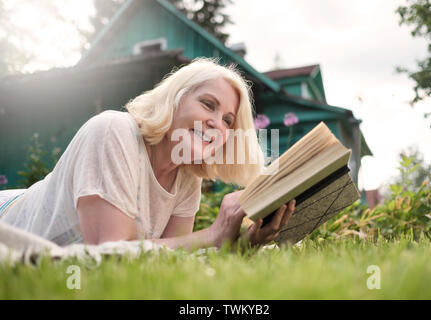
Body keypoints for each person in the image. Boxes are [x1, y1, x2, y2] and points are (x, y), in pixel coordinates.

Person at [0, 58, 295, 250]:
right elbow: (108, 255)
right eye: (208, 104)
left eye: (228, 120)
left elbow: (168, 258)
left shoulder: (187, 177)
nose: (216, 123)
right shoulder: (113, 130)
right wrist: (214, 233)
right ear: (175, 100)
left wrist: (239, 243)